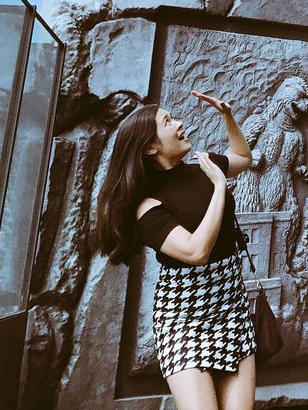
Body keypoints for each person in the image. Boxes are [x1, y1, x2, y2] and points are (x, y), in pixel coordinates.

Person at [93, 90, 256, 410]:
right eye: (168, 122)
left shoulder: (204, 167)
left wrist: (227, 116)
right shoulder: (147, 206)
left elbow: (243, 158)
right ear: (150, 146)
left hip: (230, 307)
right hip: (182, 318)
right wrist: (219, 187)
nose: (180, 123)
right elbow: (197, 252)